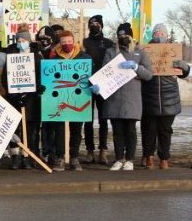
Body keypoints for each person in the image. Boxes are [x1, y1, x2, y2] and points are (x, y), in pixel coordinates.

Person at [91, 23, 152, 171]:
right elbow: (105, 72)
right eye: (120, 36)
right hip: (114, 98)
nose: (122, 38)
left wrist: (136, 67)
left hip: (132, 98)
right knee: (117, 131)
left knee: (130, 130)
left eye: (125, 35)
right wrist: (99, 86)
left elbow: (149, 75)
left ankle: (130, 159)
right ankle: (119, 158)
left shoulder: (140, 53)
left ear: (131, 36)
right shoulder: (111, 52)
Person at [141, 24, 190, 169]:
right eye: (156, 33)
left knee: (165, 131)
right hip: (149, 96)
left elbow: (183, 74)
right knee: (148, 130)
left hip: (169, 98)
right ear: (152, 35)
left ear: (167, 36)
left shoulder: (173, 51)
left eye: (162, 34)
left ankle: (164, 158)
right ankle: (148, 156)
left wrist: (185, 67)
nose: (159, 36)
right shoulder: (145, 51)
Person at [44, 30, 91, 171]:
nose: (67, 45)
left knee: (76, 129)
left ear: (74, 41)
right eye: (64, 42)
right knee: (59, 130)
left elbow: (90, 77)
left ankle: (74, 157)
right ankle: (60, 157)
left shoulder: (84, 58)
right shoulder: (53, 60)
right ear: (60, 43)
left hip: (79, 98)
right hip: (60, 100)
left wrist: (93, 85)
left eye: (69, 42)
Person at [4, 24, 43, 169]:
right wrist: (13, 94)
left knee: (31, 129)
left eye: (23, 41)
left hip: (31, 100)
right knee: (14, 128)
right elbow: (5, 77)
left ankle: (28, 156)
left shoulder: (36, 56)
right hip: (14, 98)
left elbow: (39, 77)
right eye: (18, 41)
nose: (21, 43)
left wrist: (32, 92)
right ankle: (15, 156)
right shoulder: (12, 55)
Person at [82, 15, 115, 164]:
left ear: (101, 25)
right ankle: (90, 150)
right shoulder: (84, 42)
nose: (94, 26)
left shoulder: (108, 43)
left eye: (96, 23)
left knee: (103, 119)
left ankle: (103, 150)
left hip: (104, 85)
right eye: (91, 24)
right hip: (87, 85)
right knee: (87, 120)